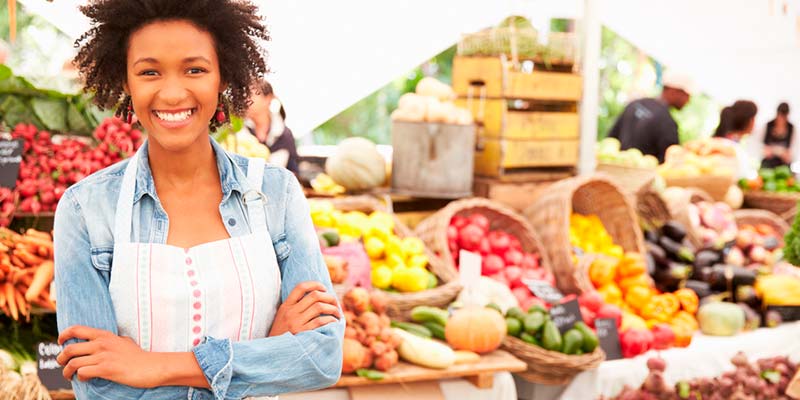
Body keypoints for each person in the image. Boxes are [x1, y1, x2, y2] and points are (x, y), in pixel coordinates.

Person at [53, 1, 343, 399]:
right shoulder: (85, 209)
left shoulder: (277, 193)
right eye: (149, 72)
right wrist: (266, 352)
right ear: (125, 81)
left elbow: (322, 357)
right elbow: (100, 390)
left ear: (222, 77)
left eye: (195, 70)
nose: (173, 93)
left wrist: (153, 367)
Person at [607, 71, 695, 163]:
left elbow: (611, 139)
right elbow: (670, 162)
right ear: (674, 90)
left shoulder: (635, 104)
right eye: (687, 95)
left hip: (614, 169)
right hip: (644, 172)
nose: (688, 101)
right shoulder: (667, 122)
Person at [246, 81, 300, 173]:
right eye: (244, 95)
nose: (246, 100)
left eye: (251, 95)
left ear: (268, 98)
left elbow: (293, 171)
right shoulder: (238, 133)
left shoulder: (284, 135)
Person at [761, 102, 795, 169]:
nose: (781, 120)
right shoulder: (769, 125)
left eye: (784, 117)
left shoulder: (791, 127)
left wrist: (774, 150)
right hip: (768, 163)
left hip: (784, 164)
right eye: (780, 116)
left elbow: (789, 153)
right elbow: (765, 150)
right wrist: (780, 151)